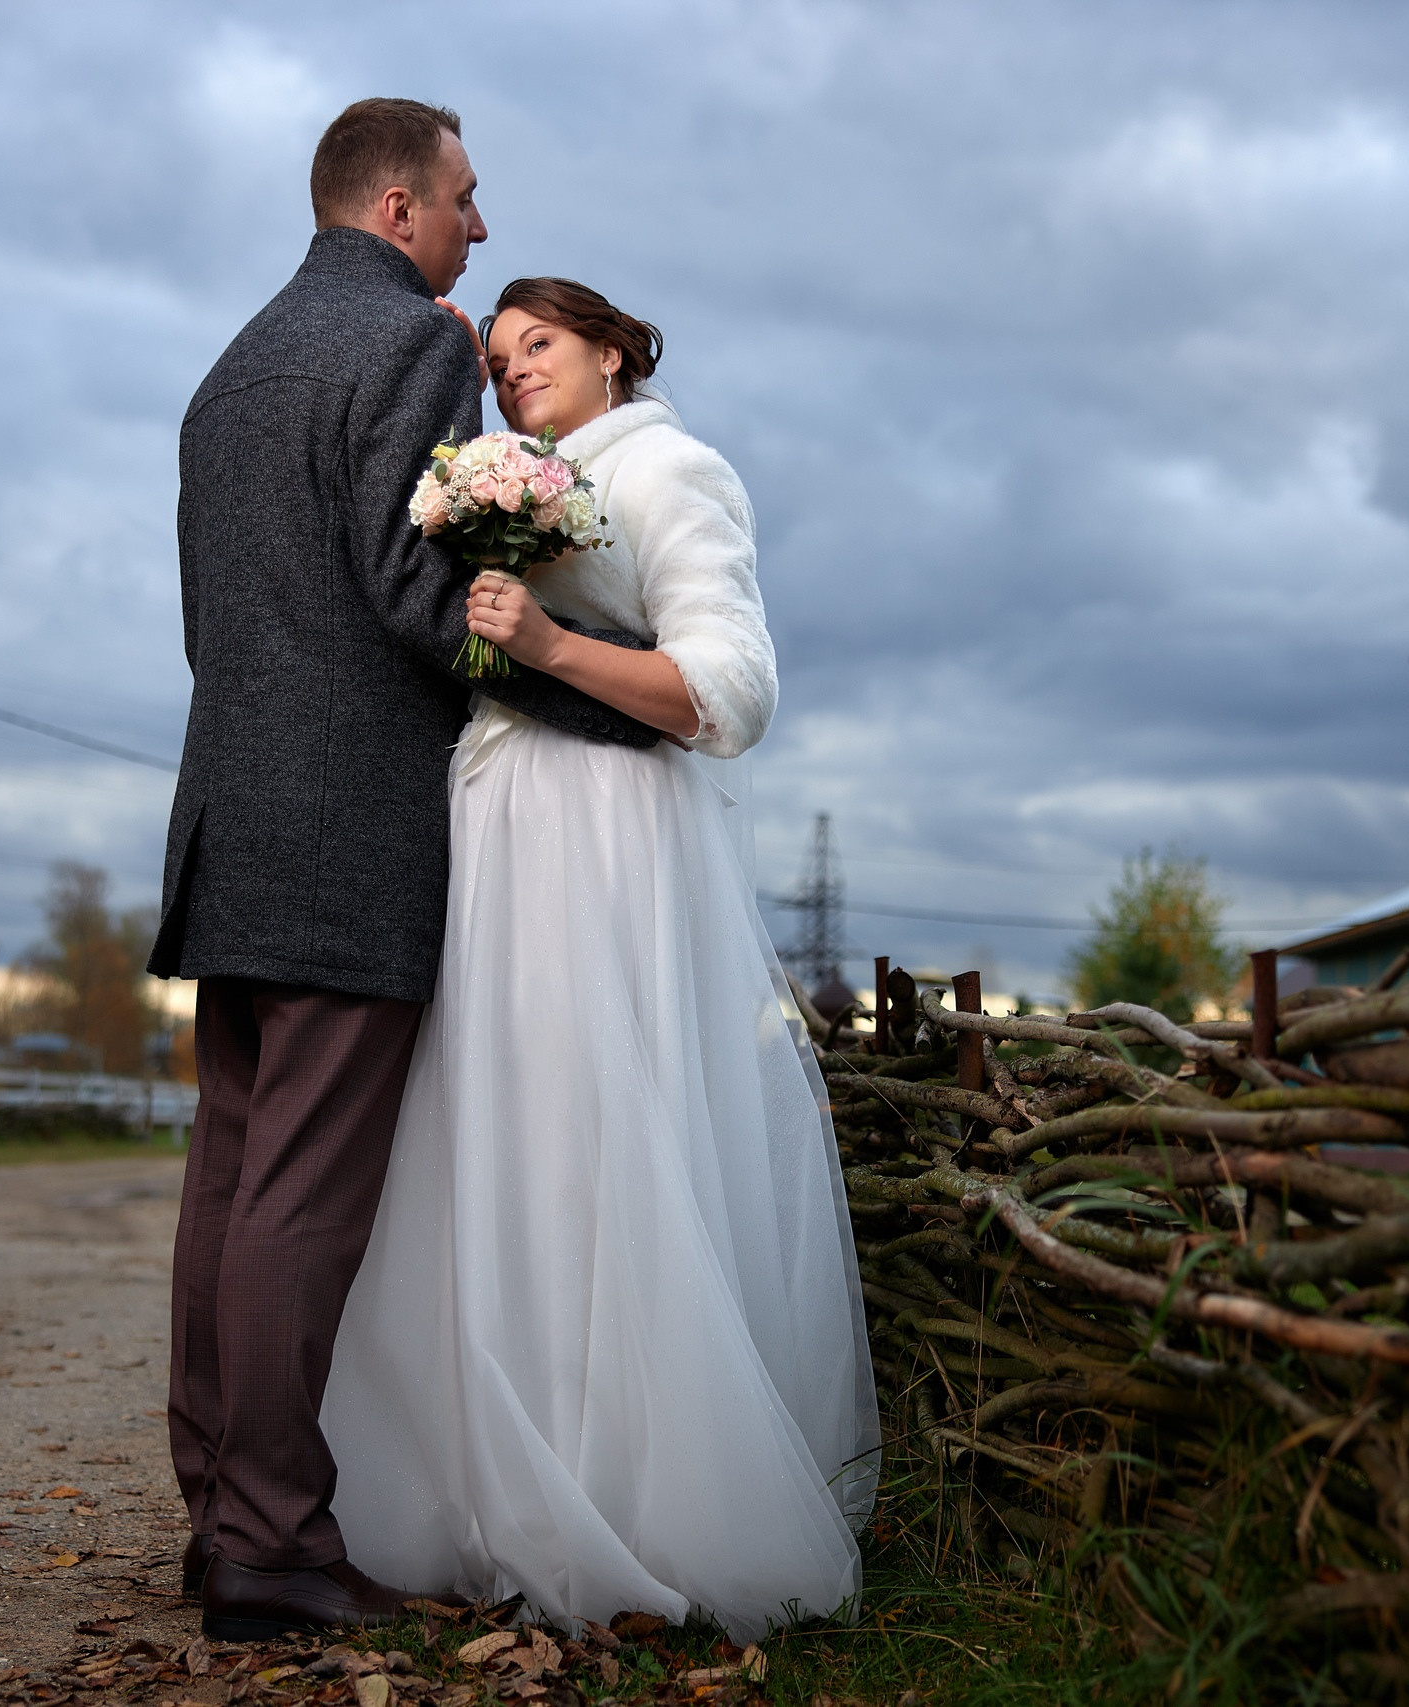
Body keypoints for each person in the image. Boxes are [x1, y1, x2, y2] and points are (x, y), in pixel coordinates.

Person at [148, 100, 666, 1644]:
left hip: (229, 823)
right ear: (396, 208)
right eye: (464, 197)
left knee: (232, 1180)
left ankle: (219, 1518)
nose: (480, 228)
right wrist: (617, 696)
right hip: (347, 835)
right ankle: (276, 1545)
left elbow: (214, 624)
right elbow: (407, 587)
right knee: (300, 1199)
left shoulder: (226, 373)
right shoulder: (410, 349)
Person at [320, 278, 881, 1641]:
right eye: (499, 361)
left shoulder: (675, 468)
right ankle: (496, 1490)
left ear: (618, 349)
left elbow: (730, 695)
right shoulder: (505, 491)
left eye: (542, 347)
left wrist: (555, 642)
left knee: (600, 1136)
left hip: (612, 840)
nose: (515, 375)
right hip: (501, 830)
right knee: (500, 1134)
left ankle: (637, 1498)